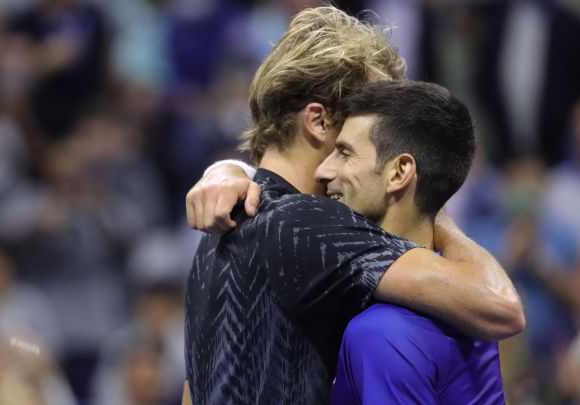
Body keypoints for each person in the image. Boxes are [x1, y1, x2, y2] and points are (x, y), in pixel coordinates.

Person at [184, 6, 523, 405]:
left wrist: (230, 168)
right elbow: (500, 307)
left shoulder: (217, 234)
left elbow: (193, 391)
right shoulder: (306, 223)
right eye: (361, 121)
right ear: (319, 121)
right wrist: (435, 210)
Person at [320, 80, 504, 404]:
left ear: (399, 172)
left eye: (345, 153)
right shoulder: (465, 301)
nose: (324, 169)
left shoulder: (380, 333)